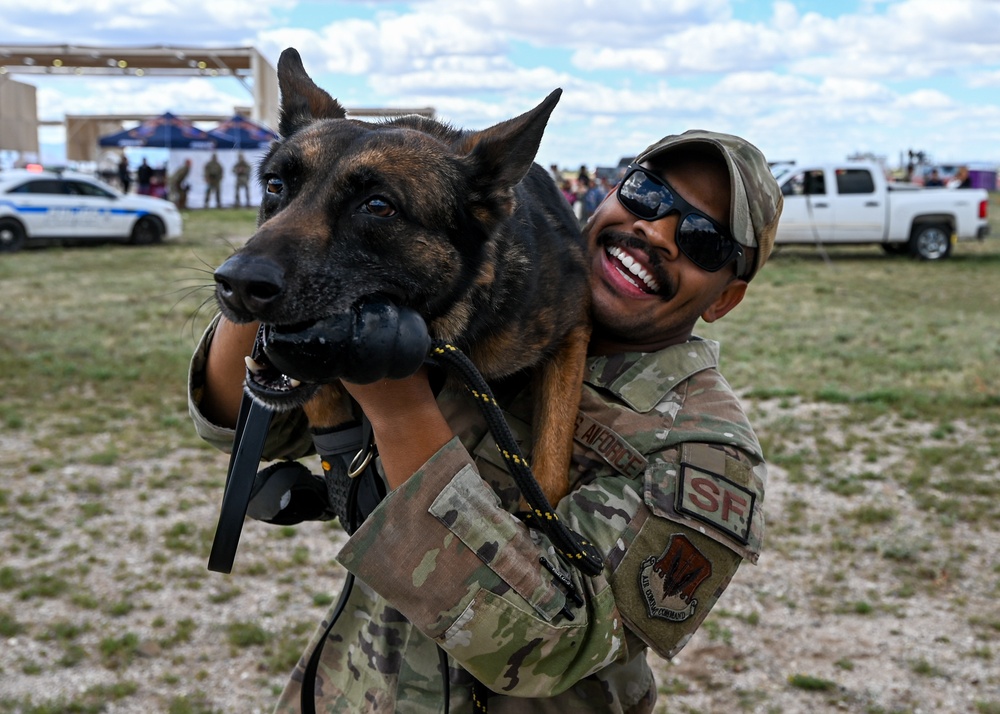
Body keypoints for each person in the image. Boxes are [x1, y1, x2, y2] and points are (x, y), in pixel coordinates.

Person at [188, 129, 782, 712]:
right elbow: (249, 425)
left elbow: (550, 648)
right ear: (609, 195)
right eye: (647, 194)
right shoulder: (471, 307)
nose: (655, 231)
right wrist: (290, 229)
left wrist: (399, 403)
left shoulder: (704, 451)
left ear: (725, 298)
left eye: (704, 240)